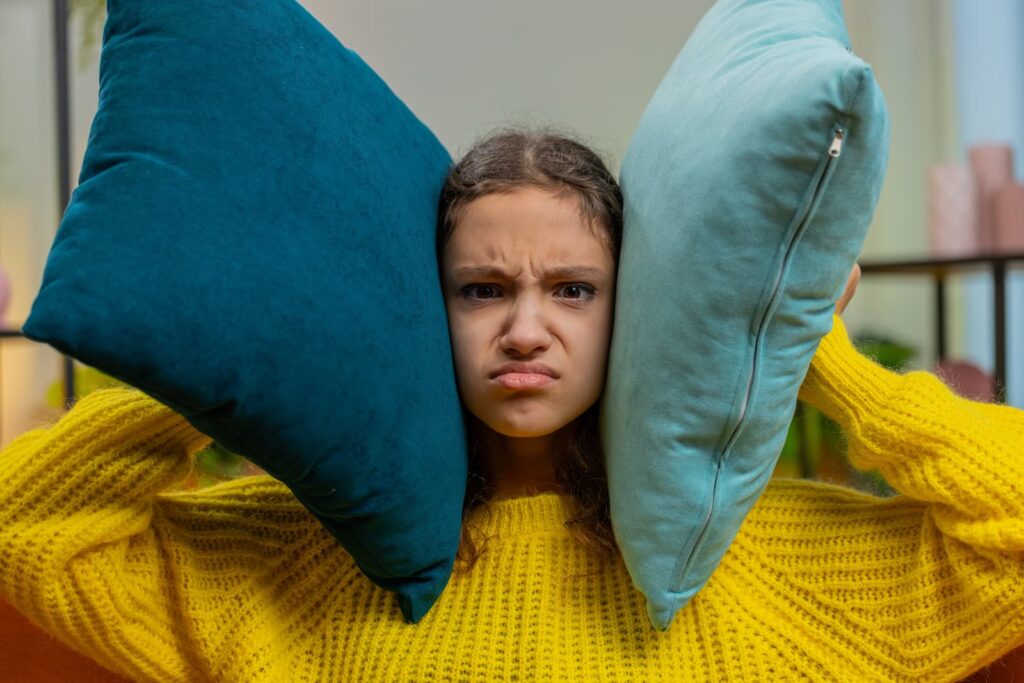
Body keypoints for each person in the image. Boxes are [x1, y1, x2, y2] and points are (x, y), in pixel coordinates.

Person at [0, 126, 1022, 682]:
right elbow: (29, 521)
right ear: (418, 308)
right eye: (481, 290)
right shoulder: (293, 563)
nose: (525, 329)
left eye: (572, 289)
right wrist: (254, 354)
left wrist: (815, 353)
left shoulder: (764, 563)